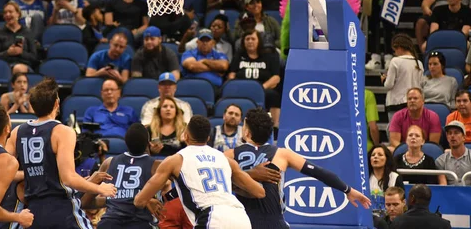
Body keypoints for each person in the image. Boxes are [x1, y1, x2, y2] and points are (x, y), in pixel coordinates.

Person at [226, 108, 371, 229]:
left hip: (242, 221)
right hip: (274, 222)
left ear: (246, 132)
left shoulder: (229, 155)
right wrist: (348, 190)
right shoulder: (282, 154)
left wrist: (247, 174)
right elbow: (318, 172)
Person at [5, 78, 117, 228]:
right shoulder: (63, 131)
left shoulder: (17, 132)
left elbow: (4, 171)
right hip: (61, 208)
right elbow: (68, 178)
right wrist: (100, 188)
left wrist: (30, 173)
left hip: (32, 210)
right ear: (57, 104)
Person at [134, 115, 265, 229]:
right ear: (208, 138)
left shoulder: (175, 160)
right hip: (240, 217)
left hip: (212, 217)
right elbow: (259, 192)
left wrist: (149, 201)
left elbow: (139, 201)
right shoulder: (225, 159)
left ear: (185, 135)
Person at [81, 123, 164, 229]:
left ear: (125, 142)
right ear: (148, 143)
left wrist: (117, 201)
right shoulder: (158, 166)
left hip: (109, 223)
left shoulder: (109, 162)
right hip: (139, 223)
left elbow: (85, 202)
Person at [228, 30, 282, 139]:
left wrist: (260, 89)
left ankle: (275, 129)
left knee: (274, 95)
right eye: (247, 39)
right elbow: (231, 75)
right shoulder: (239, 56)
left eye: (253, 39)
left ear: (259, 41)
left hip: (263, 89)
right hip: (241, 89)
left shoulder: (269, 56)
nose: (250, 41)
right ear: (243, 42)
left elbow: (276, 77)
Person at [381, 34, 424, 119]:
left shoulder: (395, 61)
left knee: (395, 130)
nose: (395, 53)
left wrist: (384, 79)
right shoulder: (419, 63)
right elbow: (421, 85)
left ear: (399, 47)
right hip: (413, 103)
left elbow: (388, 85)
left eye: (395, 50)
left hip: (396, 103)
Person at [0, 1, 38, 68]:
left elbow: (34, 57)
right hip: (5, 67)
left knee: (19, 68)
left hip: (24, 66)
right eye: (5, 13)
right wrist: (7, 53)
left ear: (18, 14)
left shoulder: (27, 32)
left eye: (10, 12)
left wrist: (21, 53)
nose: (7, 15)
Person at [368, 145, 405, 214]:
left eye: (380, 155)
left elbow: (401, 202)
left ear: (386, 159)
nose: (375, 157)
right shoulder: (364, 178)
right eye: (373, 155)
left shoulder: (395, 177)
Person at [435, 120, 471, 185]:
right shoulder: (440, 161)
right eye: (449, 133)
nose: (452, 136)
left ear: (464, 137)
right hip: (449, 194)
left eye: (456, 133)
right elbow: (443, 186)